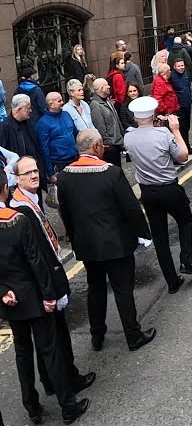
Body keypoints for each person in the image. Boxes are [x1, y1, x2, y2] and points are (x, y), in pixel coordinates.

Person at [3, 164, 92, 426]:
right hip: (33, 294)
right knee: (49, 349)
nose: (34, 175)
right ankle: (68, 405)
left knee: (22, 353)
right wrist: (49, 294)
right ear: (6, 186)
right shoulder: (17, 220)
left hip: (10, 300)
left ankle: (32, 406)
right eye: (26, 173)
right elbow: (36, 260)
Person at [56, 130, 155, 353]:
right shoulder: (112, 173)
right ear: (97, 147)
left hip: (87, 244)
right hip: (116, 243)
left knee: (96, 289)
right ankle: (133, 334)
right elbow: (130, 208)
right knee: (123, 290)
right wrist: (143, 234)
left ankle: (97, 335)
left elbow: (66, 213)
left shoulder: (64, 177)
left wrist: (75, 238)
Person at [123, 97, 192, 293]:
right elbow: (182, 155)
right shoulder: (163, 134)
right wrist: (175, 130)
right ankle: (186, 260)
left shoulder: (128, 137)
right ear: (154, 114)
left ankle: (172, 281)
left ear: (135, 117)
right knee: (186, 220)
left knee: (160, 236)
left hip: (148, 192)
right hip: (169, 188)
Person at [35, 92, 77, 179]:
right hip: (59, 163)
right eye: (59, 101)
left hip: (74, 159)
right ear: (51, 104)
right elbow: (44, 149)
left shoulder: (66, 114)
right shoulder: (43, 123)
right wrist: (50, 172)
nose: (62, 102)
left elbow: (75, 135)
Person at [88, 79, 125, 166]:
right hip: (110, 147)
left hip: (116, 143)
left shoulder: (107, 100)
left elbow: (116, 119)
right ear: (102, 88)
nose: (109, 86)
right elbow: (100, 126)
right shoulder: (96, 105)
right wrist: (109, 143)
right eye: (106, 85)